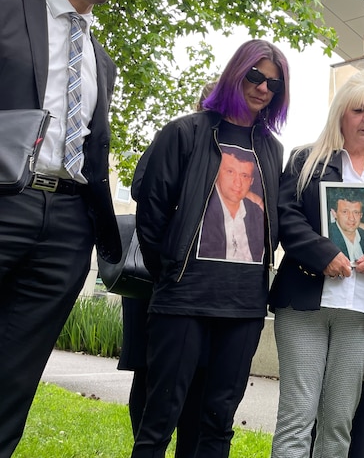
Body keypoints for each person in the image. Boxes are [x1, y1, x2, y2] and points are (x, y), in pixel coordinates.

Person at [0, 0, 123, 458]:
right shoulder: (8, 7)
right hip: (6, 200)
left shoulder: (102, 60)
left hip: (69, 223)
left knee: (16, 374)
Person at [131, 39, 288, 458]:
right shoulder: (186, 132)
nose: (262, 88)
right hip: (184, 298)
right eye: (255, 76)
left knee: (217, 424)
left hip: (244, 306)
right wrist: (169, 273)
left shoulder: (272, 150)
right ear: (236, 73)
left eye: (274, 84)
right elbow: (152, 213)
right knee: (159, 419)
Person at [269, 69, 364, 458]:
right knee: (297, 417)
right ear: (341, 115)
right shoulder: (306, 161)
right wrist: (325, 254)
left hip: (361, 312)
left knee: (338, 423)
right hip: (305, 307)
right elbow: (287, 218)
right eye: (359, 110)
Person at [118, 80, 217, 457]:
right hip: (159, 277)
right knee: (151, 375)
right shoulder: (178, 136)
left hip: (205, 282)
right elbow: (144, 188)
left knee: (200, 380)